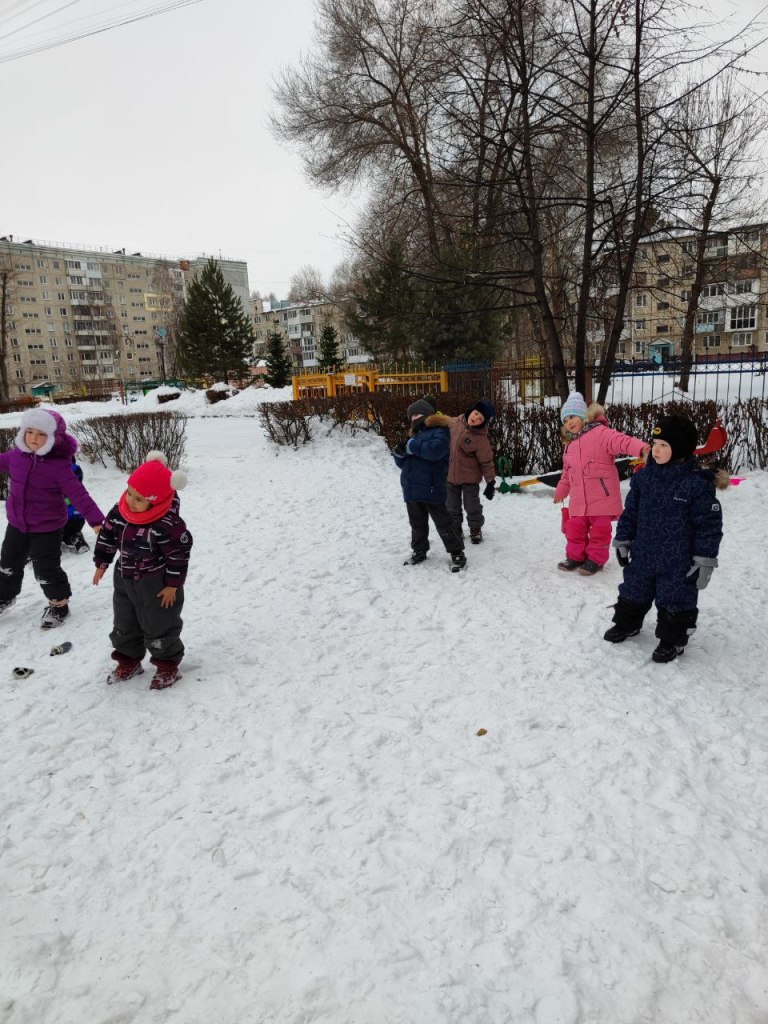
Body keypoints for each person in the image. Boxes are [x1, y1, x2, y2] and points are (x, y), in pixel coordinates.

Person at [603, 414, 727, 663]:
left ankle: (673, 639)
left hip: (678, 560)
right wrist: (623, 539)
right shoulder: (644, 478)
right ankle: (628, 623)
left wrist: (705, 559)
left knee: (675, 598)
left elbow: (708, 525)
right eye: (654, 443)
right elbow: (631, 512)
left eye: (663, 445)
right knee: (633, 590)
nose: (656, 450)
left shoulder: (695, 484)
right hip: (643, 553)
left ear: (679, 448)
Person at [93, 451, 192, 689]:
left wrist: (173, 585)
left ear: (156, 501)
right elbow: (107, 535)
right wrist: (102, 563)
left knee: (159, 624)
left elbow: (178, 555)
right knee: (124, 622)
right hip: (124, 578)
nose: (130, 501)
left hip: (156, 584)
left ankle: (167, 665)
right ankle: (128, 661)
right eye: (129, 493)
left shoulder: (167, 524)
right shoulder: (120, 512)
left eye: (139, 499)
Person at [0, 408, 104, 628]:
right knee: (8, 563)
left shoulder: (59, 466)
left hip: (47, 528)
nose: (33, 438)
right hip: (17, 524)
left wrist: (96, 520)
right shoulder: (16, 456)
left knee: (46, 569)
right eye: (29, 431)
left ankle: (59, 603)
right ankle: (4, 596)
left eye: (41, 434)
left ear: (53, 438)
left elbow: (79, 495)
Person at [553, 392, 649, 575]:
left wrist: (641, 449)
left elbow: (622, 441)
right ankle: (575, 556)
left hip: (601, 497)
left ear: (584, 415)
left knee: (600, 531)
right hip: (578, 500)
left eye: (572, 416)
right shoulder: (570, 445)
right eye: (565, 420)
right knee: (574, 529)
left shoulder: (601, 433)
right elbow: (567, 472)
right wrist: (561, 491)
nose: (569, 422)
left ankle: (595, 559)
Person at [393, 398, 466, 571]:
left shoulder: (440, 431)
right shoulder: (414, 435)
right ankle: (419, 551)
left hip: (432, 487)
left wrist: (411, 446)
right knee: (417, 524)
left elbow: (435, 451)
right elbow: (404, 464)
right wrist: (399, 454)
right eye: (411, 416)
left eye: (418, 414)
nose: (414, 418)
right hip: (412, 488)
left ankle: (457, 552)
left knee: (443, 523)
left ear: (428, 414)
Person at [446, 400, 497, 544]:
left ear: (483, 422)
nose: (476, 418)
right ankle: (456, 529)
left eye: (480, 418)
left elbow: (486, 461)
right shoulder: (455, 423)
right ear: (471, 411)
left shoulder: (480, 438)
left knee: (472, 506)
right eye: (476, 414)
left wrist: (490, 482)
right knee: (452, 507)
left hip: (470, 479)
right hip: (451, 476)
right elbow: (439, 428)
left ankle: (475, 528)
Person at [61, 459, 90, 554]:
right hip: (77, 519)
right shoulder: (76, 473)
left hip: (62, 521)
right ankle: (76, 538)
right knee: (71, 533)